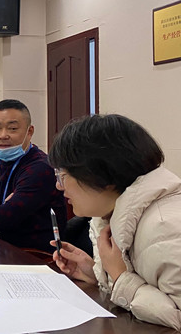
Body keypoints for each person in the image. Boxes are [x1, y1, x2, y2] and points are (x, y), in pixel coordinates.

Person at [50, 114, 181, 330]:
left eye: (62, 176)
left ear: (102, 175)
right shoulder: (111, 215)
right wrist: (97, 274)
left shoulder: (164, 227)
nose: (59, 186)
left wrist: (120, 277)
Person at [0, 99, 66, 252]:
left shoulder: (40, 168)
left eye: (12, 129)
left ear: (29, 132)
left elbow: (2, 219)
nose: (3, 135)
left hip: (34, 255)